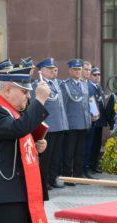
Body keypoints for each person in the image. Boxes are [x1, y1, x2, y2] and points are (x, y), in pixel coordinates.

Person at [0, 67, 52, 223]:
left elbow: (17, 137)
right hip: (6, 193)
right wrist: (40, 100)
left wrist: (35, 148)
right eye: (25, 92)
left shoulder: (11, 112)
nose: (28, 97)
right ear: (8, 89)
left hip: (19, 190)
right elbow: (18, 128)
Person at [32, 57, 68, 189]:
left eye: (54, 69)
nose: (53, 71)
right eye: (50, 69)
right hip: (48, 127)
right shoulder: (39, 85)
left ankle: (52, 178)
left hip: (59, 125)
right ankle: (43, 181)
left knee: (56, 156)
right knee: (46, 157)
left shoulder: (56, 84)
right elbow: (37, 106)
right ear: (42, 71)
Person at [60, 59, 92, 186]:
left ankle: (78, 176)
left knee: (80, 152)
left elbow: (86, 105)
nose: (78, 72)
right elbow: (63, 105)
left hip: (83, 123)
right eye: (75, 70)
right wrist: (64, 123)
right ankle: (68, 177)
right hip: (71, 124)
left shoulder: (84, 84)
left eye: (79, 69)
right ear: (70, 70)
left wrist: (89, 119)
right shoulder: (65, 85)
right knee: (69, 152)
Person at [86, 66, 106, 175]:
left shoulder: (98, 86)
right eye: (95, 75)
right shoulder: (89, 86)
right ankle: (89, 165)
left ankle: (94, 165)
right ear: (90, 76)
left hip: (100, 120)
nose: (97, 77)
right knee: (91, 144)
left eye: (99, 75)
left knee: (97, 144)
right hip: (93, 119)